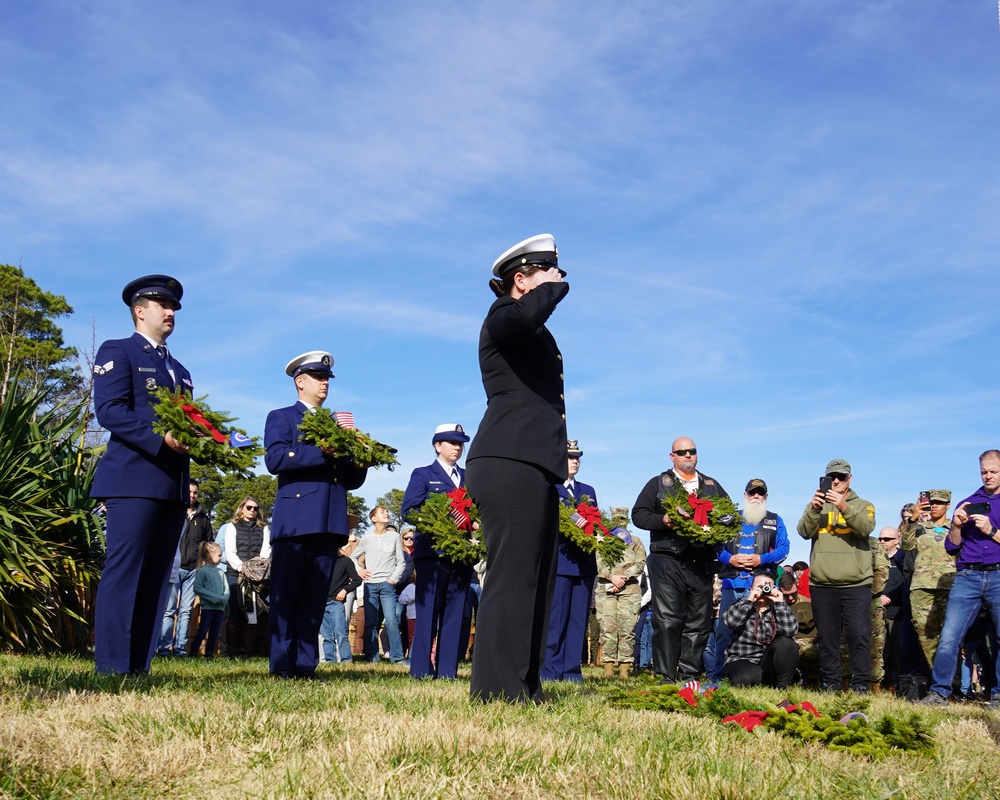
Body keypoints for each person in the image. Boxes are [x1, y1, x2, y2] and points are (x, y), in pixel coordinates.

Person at [465, 233, 569, 704]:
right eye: (548, 270)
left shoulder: (532, 328)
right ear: (520, 279)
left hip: (534, 461)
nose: (560, 277)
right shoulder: (502, 317)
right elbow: (525, 314)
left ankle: (525, 683)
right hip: (508, 457)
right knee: (512, 574)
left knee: (537, 575)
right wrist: (549, 287)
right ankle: (495, 688)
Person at [90, 275, 192, 675]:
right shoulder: (119, 351)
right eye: (163, 306)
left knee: (156, 579)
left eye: (174, 308)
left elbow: (187, 424)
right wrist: (160, 437)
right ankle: (113, 668)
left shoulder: (180, 370)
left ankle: (138, 668)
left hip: (172, 485)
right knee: (125, 571)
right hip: (132, 479)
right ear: (139, 310)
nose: (170, 313)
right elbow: (110, 410)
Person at [264, 350, 369, 679]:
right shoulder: (282, 417)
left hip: (329, 522)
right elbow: (276, 459)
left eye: (327, 379)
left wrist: (359, 457)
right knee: (286, 596)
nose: (325, 383)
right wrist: (320, 450)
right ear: (300, 382)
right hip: (296, 521)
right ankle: (283, 665)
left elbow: (350, 481)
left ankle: (305, 666)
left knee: (313, 600)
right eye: (319, 378)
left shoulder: (336, 425)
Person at [631, 437, 729, 684]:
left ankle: (690, 677)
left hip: (701, 563)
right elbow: (639, 515)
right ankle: (665, 677)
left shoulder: (711, 485)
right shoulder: (659, 484)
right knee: (667, 620)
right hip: (667, 560)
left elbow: (728, 515)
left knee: (699, 623)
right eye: (682, 452)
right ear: (671, 456)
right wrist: (663, 520)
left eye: (692, 451)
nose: (687, 455)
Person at [923, 450, 1000, 709]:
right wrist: (956, 526)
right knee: (949, 636)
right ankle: (939, 693)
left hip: (999, 574)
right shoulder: (968, 502)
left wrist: (992, 531)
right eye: (984, 472)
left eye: (993, 472)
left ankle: (998, 696)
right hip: (967, 575)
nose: (988, 476)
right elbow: (952, 548)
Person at [400, 423, 475, 679]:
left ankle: (447, 671)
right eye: (452, 442)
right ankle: (421, 670)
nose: (457, 447)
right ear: (437, 445)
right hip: (432, 552)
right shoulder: (422, 474)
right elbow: (409, 510)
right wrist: (443, 518)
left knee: (455, 613)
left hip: (462, 553)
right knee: (428, 611)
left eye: (460, 443)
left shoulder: (469, 477)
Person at [796, 458, 876, 692]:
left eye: (841, 477)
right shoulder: (816, 505)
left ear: (850, 479)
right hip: (823, 583)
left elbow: (865, 528)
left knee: (858, 636)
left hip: (856, 584)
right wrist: (814, 508)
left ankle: (861, 684)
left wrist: (843, 506)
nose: (837, 481)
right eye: (832, 477)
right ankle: (830, 683)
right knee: (828, 639)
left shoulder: (863, 504)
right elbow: (803, 531)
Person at [709, 478, 790, 682]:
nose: (756, 496)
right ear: (745, 496)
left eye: (760, 493)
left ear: (766, 497)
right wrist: (731, 559)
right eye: (752, 493)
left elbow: (784, 549)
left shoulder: (775, 520)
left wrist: (761, 559)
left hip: (762, 585)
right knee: (724, 631)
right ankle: (718, 676)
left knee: (765, 630)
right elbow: (715, 546)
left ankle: (762, 674)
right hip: (732, 584)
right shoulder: (729, 519)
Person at [542, 440, 599, 682]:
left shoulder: (587, 490)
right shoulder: (549, 487)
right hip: (560, 562)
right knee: (556, 619)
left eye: (577, 457)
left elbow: (595, 523)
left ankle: (571, 671)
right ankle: (550, 670)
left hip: (584, 563)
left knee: (577, 621)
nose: (575, 461)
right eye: (569, 457)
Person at [900, 490, 956, 674]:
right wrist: (912, 520)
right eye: (932, 502)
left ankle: (953, 685)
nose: (934, 506)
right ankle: (937, 682)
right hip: (922, 589)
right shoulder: (919, 528)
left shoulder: (956, 528)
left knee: (950, 636)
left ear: (948, 505)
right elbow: (906, 546)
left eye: (940, 502)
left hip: (949, 587)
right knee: (926, 636)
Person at [722, 571, 799, 688]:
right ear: (751, 587)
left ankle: (783, 687)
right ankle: (767, 681)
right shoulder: (741, 604)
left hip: (767, 662)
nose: (764, 590)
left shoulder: (779, 607)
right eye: (759, 587)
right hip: (742, 659)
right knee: (744, 679)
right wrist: (750, 601)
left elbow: (790, 631)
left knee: (787, 642)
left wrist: (779, 603)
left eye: (768, 586)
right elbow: (730, 622)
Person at [595, 508, 647, 679]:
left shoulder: (635, 542)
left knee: (627, 630)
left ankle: (625, 668)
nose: (620, 522)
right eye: (617, 519)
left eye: (623, 519)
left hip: (629, 591)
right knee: (607, 628)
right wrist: (612, 577)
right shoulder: (604, 541)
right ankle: (608, 668)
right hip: (606, 590)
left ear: (627, 521)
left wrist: (622, 578)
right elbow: (599, 563)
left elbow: (640, 564)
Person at [351, 506, 406, 663]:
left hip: (388, 586)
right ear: (374, 519)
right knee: (370, 623)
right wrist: (360, 571)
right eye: (383, 512)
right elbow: (353, 558)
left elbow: (401, 562)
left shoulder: (395, 536)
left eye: (387, 512)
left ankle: (397, 658)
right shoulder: (367, 539)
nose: (387, 514)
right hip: (370, 585)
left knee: (391, 620)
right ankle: (372, 657)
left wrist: (392, 579)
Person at [219, 497, 272, 657]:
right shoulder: (231, 527)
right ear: (242, 508)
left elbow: (265, 553)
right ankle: (232, 652)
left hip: (256, 577)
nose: (252, 511)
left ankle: (246, 652)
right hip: (235, 575)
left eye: (256, 508)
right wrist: (242, 568)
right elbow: (230, 552)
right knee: (234, 613)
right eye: (249, 507)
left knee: (252, 614)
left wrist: (254, 571)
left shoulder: (264, 529)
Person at [171, 480, 212, 656]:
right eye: (189, 492)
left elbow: (209, 544)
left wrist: (203, 566)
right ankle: (164, 648)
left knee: (186, 611)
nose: (192, 495)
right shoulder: (173, 512)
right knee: (169, 609)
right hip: (174, 567)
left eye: (195, 492)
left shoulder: (203, 518)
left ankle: (180, 648)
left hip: (193, 570)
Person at [320, 541, 362, 664]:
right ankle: (330, 660)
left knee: (340, 633)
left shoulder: (346, 562)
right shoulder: (323, 562)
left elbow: (356, 580)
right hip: (322, 603)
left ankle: (346, 660)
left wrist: (344, 590)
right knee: (327, 636)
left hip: (336, 603)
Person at [188, 542, 230, 658]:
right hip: (208, 608)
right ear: (210, 555)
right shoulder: (202, 571)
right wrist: (215, 598)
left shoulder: (220, 572)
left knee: (214, 633)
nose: (221, 557)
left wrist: (224, 599)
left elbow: (226, 589)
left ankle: (209, 654)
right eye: (219, 555)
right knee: (202, 631)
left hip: (219, 608)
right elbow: (197, 588)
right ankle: (193, 653)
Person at [877, 527, 906, 689]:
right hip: (877, 611)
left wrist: (889, 597)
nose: (882, 542)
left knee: (897, 650)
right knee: (880, 650)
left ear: (897, 540)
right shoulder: (873, 559)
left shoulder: (903, 559)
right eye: (880, 538)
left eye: (887, 539)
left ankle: (897, 682)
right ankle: (880, 681)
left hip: (896, 612)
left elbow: (905, 581)